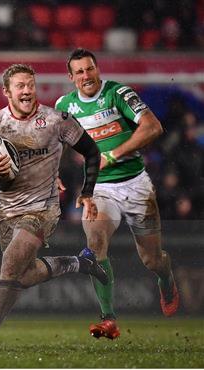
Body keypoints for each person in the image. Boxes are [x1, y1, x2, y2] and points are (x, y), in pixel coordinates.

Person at [0, 63, 107, 352]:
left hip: (42, 210)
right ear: (7, 92)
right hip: (7, 213)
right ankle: (79, 263)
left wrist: (87, 191)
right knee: (20, 276)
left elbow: (91, 151)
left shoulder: (56, 120)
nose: (27, 90)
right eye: (20, 86)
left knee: (11, 263)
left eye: (31, 85)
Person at [55, 48, 179, 340]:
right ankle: (108, 318)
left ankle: (166, 277)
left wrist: (112, 154)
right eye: (80, 72)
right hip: (99, 188)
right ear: (71, 77)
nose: (86, 76)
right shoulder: (65, 105)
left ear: (97, 69)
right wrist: (53, 172)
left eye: (90, 69)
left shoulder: (118, 93)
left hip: (136, 185)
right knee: (95, 244)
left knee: (151, 259)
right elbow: (56, 142)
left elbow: (153, 127)